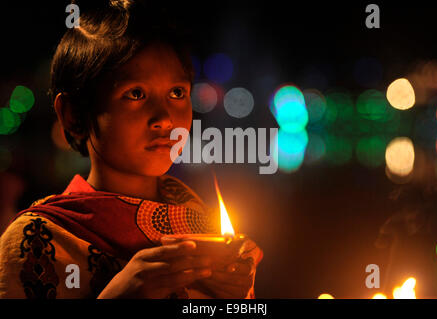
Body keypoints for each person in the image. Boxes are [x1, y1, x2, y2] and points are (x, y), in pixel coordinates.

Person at [0, 0, 263, 299]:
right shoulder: (35, 242)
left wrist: (236, 296)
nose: (164, 118)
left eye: (177, 93)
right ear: (73, 115)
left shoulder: (200, 225)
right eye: (135, 94)